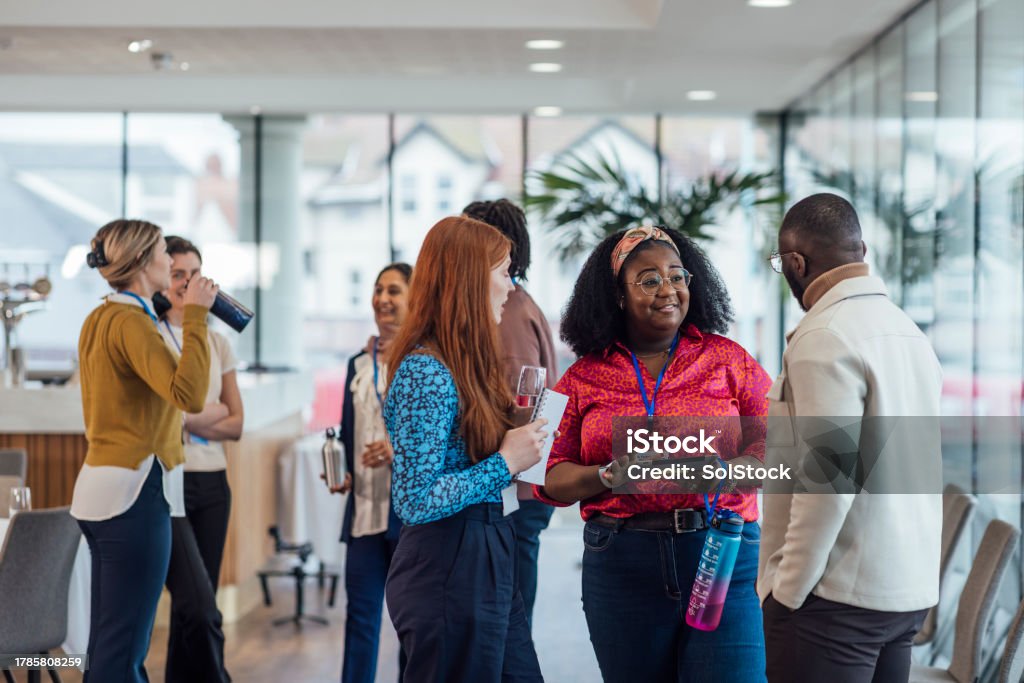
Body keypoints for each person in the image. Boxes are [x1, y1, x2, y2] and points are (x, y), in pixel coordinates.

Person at [534, 226, 771, 683]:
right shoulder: (582, 378)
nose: (668, 289)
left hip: (722, 550)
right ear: (617, 296)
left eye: (676, 276)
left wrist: (724, 472)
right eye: (648, 279)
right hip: (623, 562)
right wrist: (606, 475)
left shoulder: (728, 359)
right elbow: (548, 474)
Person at [758, 193, 942, 682]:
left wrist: (786, 590)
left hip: (834, 600)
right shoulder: (907, 331)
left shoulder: (826, 335)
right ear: (860, 251)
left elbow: (827, 481)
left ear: (796, 263)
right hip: (902, 592)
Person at [383, 215, 548, 683]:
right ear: (471, 281)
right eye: (503, 273)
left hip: (485, 553)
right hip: (447, 566)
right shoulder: (426, 372)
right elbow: (415, 499)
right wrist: (504, 463)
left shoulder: (463, 366)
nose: (510, 288)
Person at [71, 219, 217, 683]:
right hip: (133, 494)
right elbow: (190, 395)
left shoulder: (100, 317)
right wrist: (195, 316)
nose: (169, 262)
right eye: (160, 252)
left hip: (99, 490)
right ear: (139, 263)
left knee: (108, 643)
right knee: (125, 649)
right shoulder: (133, 323)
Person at [463, 198, 557, 628]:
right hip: (513, 485)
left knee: (506, 626)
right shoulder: (514, 304)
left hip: (512, 490)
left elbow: (520, 408)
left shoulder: (507, 313)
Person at [158, 236, 243, 683]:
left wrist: (187, 418)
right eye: (176, 274)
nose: (186, 284)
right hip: (169, 483)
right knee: (199, 607)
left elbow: (236, 424)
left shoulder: (216, 341)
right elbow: (164, 414)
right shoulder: (153, 335)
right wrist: (203, 415)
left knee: (197, 604)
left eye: (194, 275)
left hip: (213, 484)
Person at [328, 262, 412, 683]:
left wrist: (397, 449)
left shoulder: (424, 364)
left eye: (394, 291)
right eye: (378, 290)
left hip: (408, 512)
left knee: (409, 625)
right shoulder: (357, 363)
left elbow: (442, 433)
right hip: (363, 508)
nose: (383, 299)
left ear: (415, 300)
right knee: (359, 618)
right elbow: (348, 430)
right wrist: (342, 469)